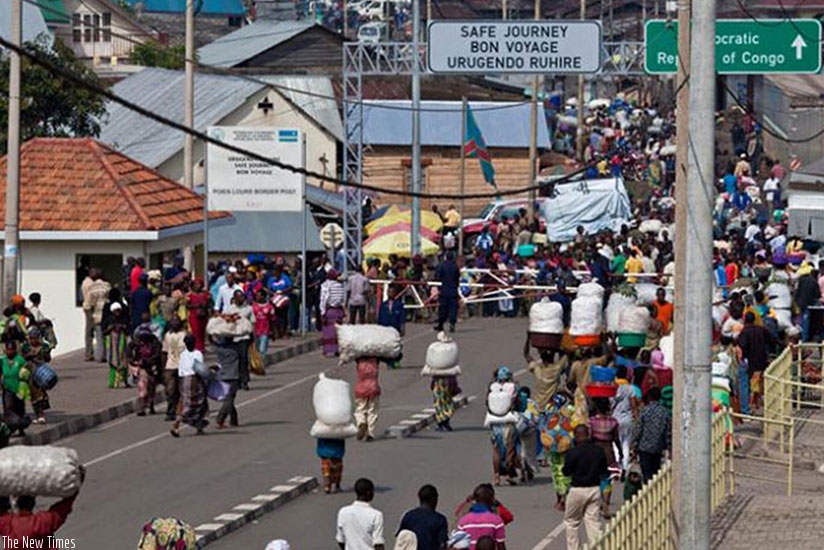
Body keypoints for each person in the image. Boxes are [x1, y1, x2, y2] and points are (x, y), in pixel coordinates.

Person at [562, 425, 608, 550]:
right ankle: (596, 546)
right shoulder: (598, 451)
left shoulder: (572, 452)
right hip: (594, 488)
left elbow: (566, 472)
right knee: (593, 521)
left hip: (577, 489)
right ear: (588, 434)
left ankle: (573, 548)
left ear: (576, 436)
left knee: (572, 522)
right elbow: (604, 471)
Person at [0, 487, 81, 544]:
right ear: (33, 504)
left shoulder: (7, 524)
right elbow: (64, 507)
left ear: (15, 504)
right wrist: (76, 487)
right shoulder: (44, 521)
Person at [541, 391, 577, 511]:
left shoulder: (549, 408)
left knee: (556, 472)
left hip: (551, 444)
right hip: (567, 444)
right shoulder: (570, 409)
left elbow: (543, 423)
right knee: (567, 472)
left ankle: (559, 498)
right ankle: (565, 496)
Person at [589, 398, 623, 517]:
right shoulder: (613, 422)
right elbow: (616, 439)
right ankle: (606, 504)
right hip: (608, 452)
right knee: (607, 480)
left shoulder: (592, 422)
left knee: (596, 479)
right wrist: (620, 451)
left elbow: (589, 438)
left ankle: (596, 504)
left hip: (595, 453)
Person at [171, 334, 208, 437]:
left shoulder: (183, 354)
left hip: (184, 380)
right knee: (193, 404)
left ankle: (198, 426)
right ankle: (177, 423)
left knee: (187, 402)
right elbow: (200, 368)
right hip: (193, 379)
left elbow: (181, 370)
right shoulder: (197, 353)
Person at [737, 311, 775, 413]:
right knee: (761, 385)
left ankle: (745, 410)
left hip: (748, 362)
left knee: (744, 385)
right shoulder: (761, 330)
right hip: (761, 363)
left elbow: (741, 347)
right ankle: (766, 407)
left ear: (745, 320)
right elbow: (773, 340)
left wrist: (740, 359)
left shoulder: (744, 332)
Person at [632, 387, 672, 482]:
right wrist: (669, 448)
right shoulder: (664, 412)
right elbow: (668, 433)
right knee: (655, 473)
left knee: (646, 473)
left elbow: (638, 429)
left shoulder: (645, 411)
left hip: (644, 447)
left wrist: (634, 444)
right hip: (657, 447)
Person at [335, 478, 385, 550]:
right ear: (368, 493)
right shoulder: (376, 515)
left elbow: (340, 540)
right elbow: (378, 543)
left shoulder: (343, 512)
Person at [396, 484, 448, 550]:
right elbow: (442, 544)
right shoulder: (440, 520)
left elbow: (401, 537)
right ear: (434, 499)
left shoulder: (409, 516)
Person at [455, 484, 506, 550]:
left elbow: (459, 545)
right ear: (492, 499)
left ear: (475, 499)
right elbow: (501, 545)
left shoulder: (463, 521)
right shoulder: (496, 520)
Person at [524, 338, 568, 410]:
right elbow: (564, 353)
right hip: (550, 407)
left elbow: (526, 354)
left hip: (537, 405)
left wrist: (528, 338)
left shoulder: (537, 369)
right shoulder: (556, 369)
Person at [224, 289, 254, 390]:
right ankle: (236, 381)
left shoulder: (248, 309)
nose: (241, 299)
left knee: (243, 359)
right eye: (239, 297)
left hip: (244, 337)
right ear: (234, 298)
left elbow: (253, 321)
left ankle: (244, 381)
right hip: (233, 337)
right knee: (234, 360)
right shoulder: (229, 309)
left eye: (242, 296)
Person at [20, 328, 51, 425]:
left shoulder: (44, 347)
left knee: (41, 396)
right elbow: (21, 358)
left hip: (41, 373)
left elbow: (48, 359)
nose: (33, 340)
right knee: (34, 396)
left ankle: (41, 415)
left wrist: (45, 354)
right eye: (31, 338)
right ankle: (38, 415)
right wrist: (28, 356)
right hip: (29, 374)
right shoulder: (25, 347)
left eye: (35, 338)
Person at [130, 326, 162, 416]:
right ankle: (142, 408)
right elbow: (129, 350)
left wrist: (148, 361)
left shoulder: (155, 343)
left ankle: (151, 404)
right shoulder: (138, 344)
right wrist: (132, 360)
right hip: (142, 368)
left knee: (151, 388)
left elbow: (157, 356)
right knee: (142, 386)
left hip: (153, 368)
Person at [0, 341, 30, 436]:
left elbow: (27, 371)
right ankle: (10, 429)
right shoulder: (2, 360)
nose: (10, 352)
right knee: (8, 408)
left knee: (19, 408)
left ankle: (21, 428)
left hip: (18, 389)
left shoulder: (20, 360)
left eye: (12, 350)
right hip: (7, 388)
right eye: (8, 350)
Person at [161, 318, 186, 422]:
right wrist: (163, 367)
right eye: (172, 323)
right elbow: (164, 351)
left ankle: (183, 411)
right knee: (170, 390)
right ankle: (170, 412)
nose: (174, 324)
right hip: (171, 365)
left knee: (183, 390)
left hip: (183, 365)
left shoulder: (184, 335)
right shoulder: (167, 335)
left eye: (176, 323)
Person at [103, 302, 130, 389]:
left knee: (124, 362)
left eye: (119, 310)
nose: (117, 312)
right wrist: (111, 328)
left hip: (122, 344)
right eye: (115, 311)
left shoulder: (124, 319)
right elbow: (104, 332)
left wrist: (122, 327)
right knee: (113, 362)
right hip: (113, 345)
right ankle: (113, 382)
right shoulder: (109, 320)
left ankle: (124, 381)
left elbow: (127, 330)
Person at [215, 338, 240, 429]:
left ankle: (234, 420)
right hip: (233, 376)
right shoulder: (235, 351)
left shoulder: (219, 351)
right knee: (229, 400)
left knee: (229, 398)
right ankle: (220, 419)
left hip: (222, 376)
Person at [355, 355, 381, 442]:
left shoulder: (359, 361)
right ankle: (370, 433)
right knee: (372, 411)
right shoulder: (375, 360)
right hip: (373, 388)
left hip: (361, 389)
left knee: (360, 409)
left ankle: (361, 423)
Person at [321, 269, 346, 357]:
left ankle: (327, 350)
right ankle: (337, 349)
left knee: (328, 331)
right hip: (338, 310)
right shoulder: (340, 285)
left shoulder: (326, 285)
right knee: (337, 332)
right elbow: (342, 299)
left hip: (330, 310)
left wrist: (322, 312)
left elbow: (324, 299)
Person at [87, 270, 111, 363]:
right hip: (107, 313)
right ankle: (108, 355)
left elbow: (90, 302)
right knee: (107, 336)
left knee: (99, 336)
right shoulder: (107, 285)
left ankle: (100, 356)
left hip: (97, 313)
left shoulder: (92, 287)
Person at [435, 251, 460, 333]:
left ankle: (440, 324)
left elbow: (438, 276)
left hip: (444, 289)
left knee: (443, 308)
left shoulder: (441, 266)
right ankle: (452, 324)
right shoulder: (455, 266)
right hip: (453, 290)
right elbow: (457, 277)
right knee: (453, 308)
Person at [186, 277, 212, 352]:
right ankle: (197, 348)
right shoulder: (189, 296)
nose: (198, 286)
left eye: (199, 284)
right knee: (195, 332)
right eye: (196, 284)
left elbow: (210, 304)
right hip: (194, 316)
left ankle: (202, 347)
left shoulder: (206, 294)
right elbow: (187, 306)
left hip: (204, 316)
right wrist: (197, 305)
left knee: (202, 332)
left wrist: (206, 304)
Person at [252, 289, 275, 357]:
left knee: (262, 349)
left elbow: (272, 320)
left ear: (263, 297)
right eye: (256, 296)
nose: (257, 297)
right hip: (255, 331)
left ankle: (262, 363)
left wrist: (273, 331)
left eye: (259, 296)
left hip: (265, 331)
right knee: (257, 349)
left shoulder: (269, 307)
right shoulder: (253, 306)